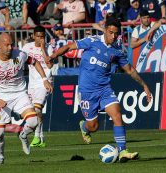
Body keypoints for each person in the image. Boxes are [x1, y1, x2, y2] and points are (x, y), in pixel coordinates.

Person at [45, 16, 152, 163]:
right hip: (87, 92)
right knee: (94, 127)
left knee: (117, 114)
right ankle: (84, 126)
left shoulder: (117, 51)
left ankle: (123, 151)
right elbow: (69, 47)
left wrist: (144, 85)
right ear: (105, 30)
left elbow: (130, 70)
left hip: (104, 90)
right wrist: (54, 56)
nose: (114, 36)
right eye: (111, 32)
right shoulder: (92, 41)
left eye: (116, 33)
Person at [0, 33, 53, 165]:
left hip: (20, 94)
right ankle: (0, 157)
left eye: (11, 44)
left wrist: (44, 79)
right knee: (0, 132)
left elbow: (35, 62)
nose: (10, 47)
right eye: (7, 45)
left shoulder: (20, 55)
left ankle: (23, 134)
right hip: (1, 97)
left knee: (33, 121)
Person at [22, 26, 54, 147]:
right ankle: (41, 137)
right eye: (38, 36)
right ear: (33, 36)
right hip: (32, 84)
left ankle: (36, 137)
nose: (41, 39)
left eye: (43, 36)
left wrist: (43, 50)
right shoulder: (27, 47)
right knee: (34, 111)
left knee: (37, 109)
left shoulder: (49, 48)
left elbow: (50, 66)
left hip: (45, 82)